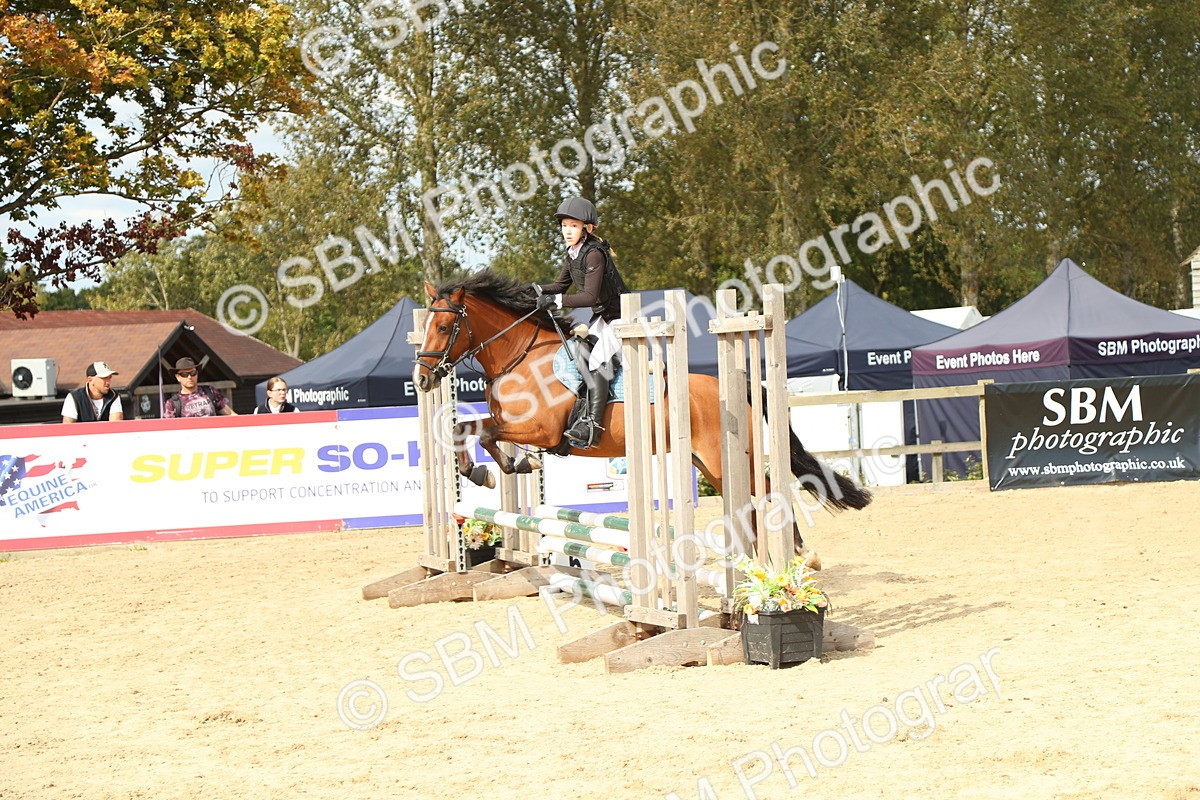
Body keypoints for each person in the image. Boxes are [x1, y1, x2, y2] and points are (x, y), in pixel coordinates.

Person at [534, 196, 630, 448]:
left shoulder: (594, 254)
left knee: (598, 360)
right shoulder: (572, 253)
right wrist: (531, 290)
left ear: (587, 228)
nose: (567, 230)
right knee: (579, 351)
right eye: (565, 225)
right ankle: (584, 413)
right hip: (605, 318)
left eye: (573, 225)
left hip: (623, 318)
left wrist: (554, 300)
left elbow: (588, 297)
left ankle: (593, 427)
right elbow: (559, 285)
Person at [163, 357, 237, 418]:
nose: (189, 377)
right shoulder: (172, 404)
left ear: (197, 374)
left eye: (193, 373)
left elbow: (231, 415)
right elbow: (168, 430)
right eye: (184, 374)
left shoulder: (210, 391)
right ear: (177, 377)